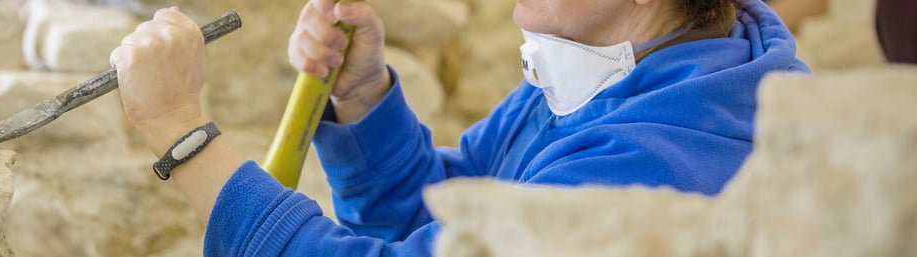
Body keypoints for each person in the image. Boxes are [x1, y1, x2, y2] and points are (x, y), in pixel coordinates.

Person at [109, 0, 809, 255]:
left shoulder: (649, 167)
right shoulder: (624, 69)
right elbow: (447, 224)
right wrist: (363, 98)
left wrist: (180, 132)